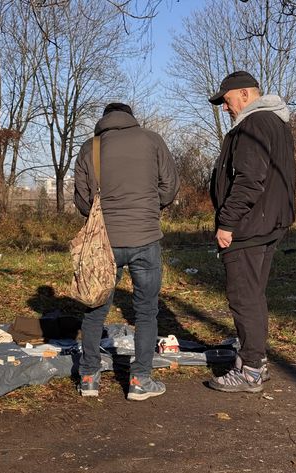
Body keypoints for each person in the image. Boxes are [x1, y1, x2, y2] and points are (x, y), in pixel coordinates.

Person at [73, 102, 179, 401]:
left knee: (95, 310)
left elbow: (82, 200)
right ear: (131, 118)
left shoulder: (89, 148)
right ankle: (140, 381)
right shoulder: (152, 140)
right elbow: (170, 187)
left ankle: (89, 378)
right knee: (146, 312)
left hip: (104, 243)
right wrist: (148, 206)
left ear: (103, 120)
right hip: (145, 237)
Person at [207, 71, 296, 393]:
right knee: (253, 297)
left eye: (227, 100)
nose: (225, 108)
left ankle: (250, 371)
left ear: (244, 95)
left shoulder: (253, 124)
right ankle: (256, 361)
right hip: (267, 222)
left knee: (243, 298)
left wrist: (227, 222)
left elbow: (249, 179)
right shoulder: (276, 123)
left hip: (248, 226)